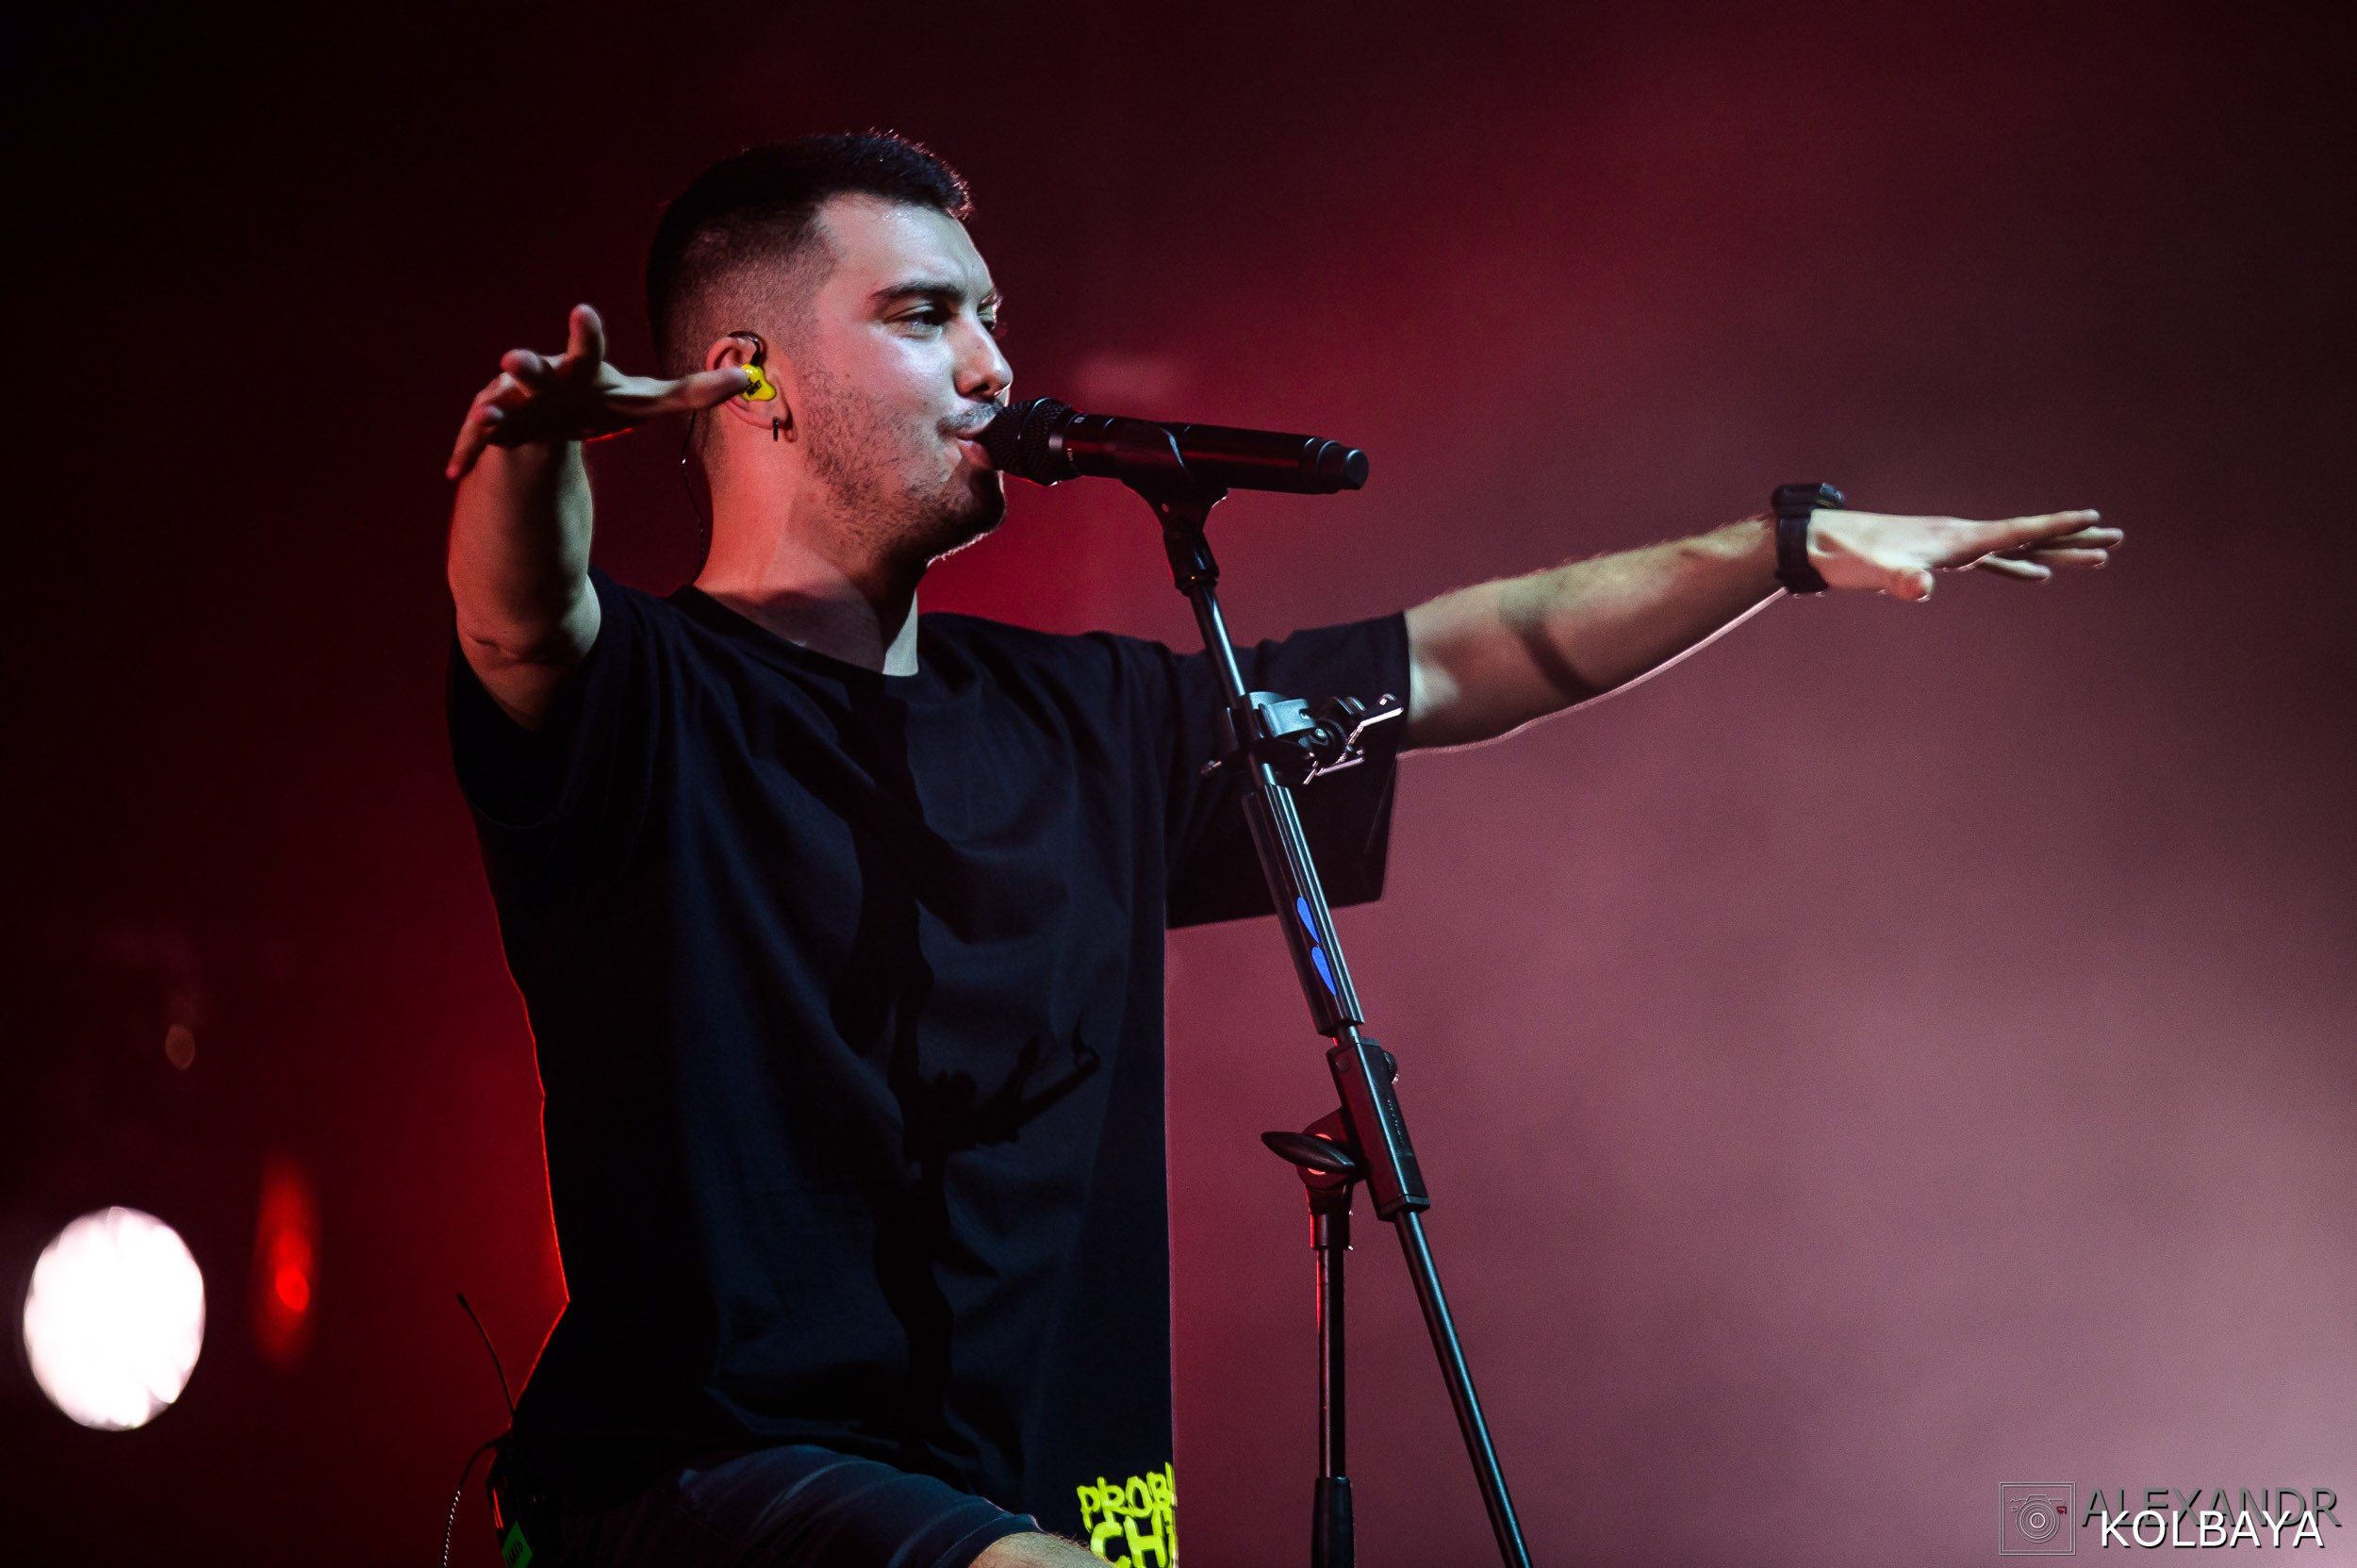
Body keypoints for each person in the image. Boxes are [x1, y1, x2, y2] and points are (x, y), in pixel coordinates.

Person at [442, 132, 2118, 1568]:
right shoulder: (649, 699)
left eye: (991, 317)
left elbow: (1458, 661)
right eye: (922, 315)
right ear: (749, 376)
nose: (992, 366)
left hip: (1065, 1505)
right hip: (715, 1495)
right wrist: (534, 449)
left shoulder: (1091, 719)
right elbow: (525, 620)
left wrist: (1779, 548)